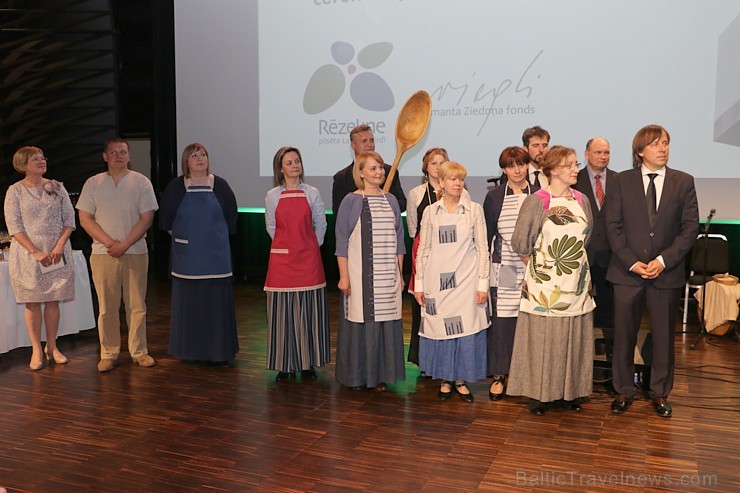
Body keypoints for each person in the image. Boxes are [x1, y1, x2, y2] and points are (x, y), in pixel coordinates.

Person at [606, 125, 699, 418]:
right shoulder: (621, 181)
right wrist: (632, 262)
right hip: (626, 273)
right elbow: (613, 227)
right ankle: (623, 390)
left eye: (667, 143)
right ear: (640, 150)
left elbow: (689, 228)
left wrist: (663, 260)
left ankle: (660, 393)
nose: (663, 149)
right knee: (624, 336)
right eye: (657, 144)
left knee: (662, 338)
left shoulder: (683, 181)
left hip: (666, 274)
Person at [507, 145, 595, 415]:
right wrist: (542, 267)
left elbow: (587, 236)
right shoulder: (538, 200)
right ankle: (540, 395)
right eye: (570, 164)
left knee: (573, 338)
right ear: (554, 170)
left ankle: (569, 393)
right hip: (546, 285)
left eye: (575, 164)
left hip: (576, 282)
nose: (575, 168)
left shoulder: (581, 200)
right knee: (543, 340)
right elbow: (521, 242)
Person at [77, 138, 159, 372]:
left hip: (135, 251)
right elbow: (85, 218)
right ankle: (108, 353)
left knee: (137, 305)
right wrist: (110, 243)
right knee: (107, 307)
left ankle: (139, 351)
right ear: (105, 157)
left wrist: (124, 243)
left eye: (123, 152)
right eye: (113, 152)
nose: (118, 155)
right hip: (103, 254)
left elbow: (147, 218)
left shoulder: (141, 182)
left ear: (129, 156)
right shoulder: (93, 183)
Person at [414, 161, 489, 402]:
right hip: (437, 284)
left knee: (464, 330)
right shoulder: (430, 212)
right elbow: (423, 250)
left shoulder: (474, 210)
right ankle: (446, 379)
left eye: (461, 179)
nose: (457, 184)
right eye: (452, 179)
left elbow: (482, 250)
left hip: (466, 283)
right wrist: (419, 284)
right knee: (441, 331)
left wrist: (482, 284)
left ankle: (461, 380)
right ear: (442, 182)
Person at [159, 143, 239, 363]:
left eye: (203, 154)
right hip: (188, 258)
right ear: (186, 161)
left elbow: (232, 218)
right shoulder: (176, 186)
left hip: (216, 257)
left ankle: (218, 352)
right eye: (194, 156)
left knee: (215, 304)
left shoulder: (220, 185)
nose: (200, 158)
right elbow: (165, 218)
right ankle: (190, 352)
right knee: (191, 305)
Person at [335, 150, 406, 392]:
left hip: (388, 276)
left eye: (381, 168)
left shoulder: (392, 201)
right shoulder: (350, 201)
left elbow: (399, 241)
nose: (380, 172)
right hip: (360, 275)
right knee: (362, 322)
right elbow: (342, 242)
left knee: (386, 322)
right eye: (373, 168)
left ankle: (381, 376)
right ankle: (357, 377)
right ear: (361, 173)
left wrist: (401, 274)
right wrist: (344, 276)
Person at [3, 146, 75, 370]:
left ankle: (52, 346)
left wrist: (59, 245)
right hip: (28, 253)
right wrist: (36, 252)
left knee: (53, 300)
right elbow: (14, 226)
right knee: (33, 302)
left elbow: (70, 219)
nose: (42, 161)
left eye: (43, 157)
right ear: (23, 164)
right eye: (36, 159)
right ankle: (36, 349)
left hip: (56, 252)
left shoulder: (57, 187)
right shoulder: (15, 190)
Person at [264, 146, 330, 381]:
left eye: (297, 161)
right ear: (280, 169)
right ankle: (284, 364)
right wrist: (286, 247)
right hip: (282, 262)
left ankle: (307, 363)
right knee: (282, 313)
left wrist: (311, 246)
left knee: (308, 312)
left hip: (308, 260)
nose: (295, 165)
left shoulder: (312, 192)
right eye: (289, 162)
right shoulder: (272, 195)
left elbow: (321, 224)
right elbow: (272, 227)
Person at [483, 147, 537, 400]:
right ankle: (499, 375)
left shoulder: (539, 194)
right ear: (504, 169)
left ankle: (528, 375)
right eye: (510, 165)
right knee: (503, 322)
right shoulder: (494, 197)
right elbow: (487, 237)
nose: (516, 170)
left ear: (528, 165)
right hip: (504, 268)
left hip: (534, 269)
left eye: (521, 164)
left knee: (530, 321)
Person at [405, 147, 448, 371]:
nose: (438, 166)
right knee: (423, 308)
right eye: (434, 162)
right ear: (426, 167)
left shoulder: (459, 189)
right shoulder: (416, 193)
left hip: (450, 256)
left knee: (445, 307)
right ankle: (424, 360)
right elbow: (413, 229)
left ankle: (445, 357)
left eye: (442, 162)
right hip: (424, 255)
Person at [574, 137, 616, 330]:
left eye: (606, 152)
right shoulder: (574, 180)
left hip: (611, 255)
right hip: (582, 254)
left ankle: (608, 352)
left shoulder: (619, 180)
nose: (603, 156)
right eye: (598, 152)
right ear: (586, 154)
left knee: (610, 311)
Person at [331, 124, 406, 216]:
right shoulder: (342, 177)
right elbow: (339, 213)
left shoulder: (389, 171)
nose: (369, 145)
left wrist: (385, 204)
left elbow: (402, 204)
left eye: (372, 140)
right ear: (353, 145)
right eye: (364, 141)